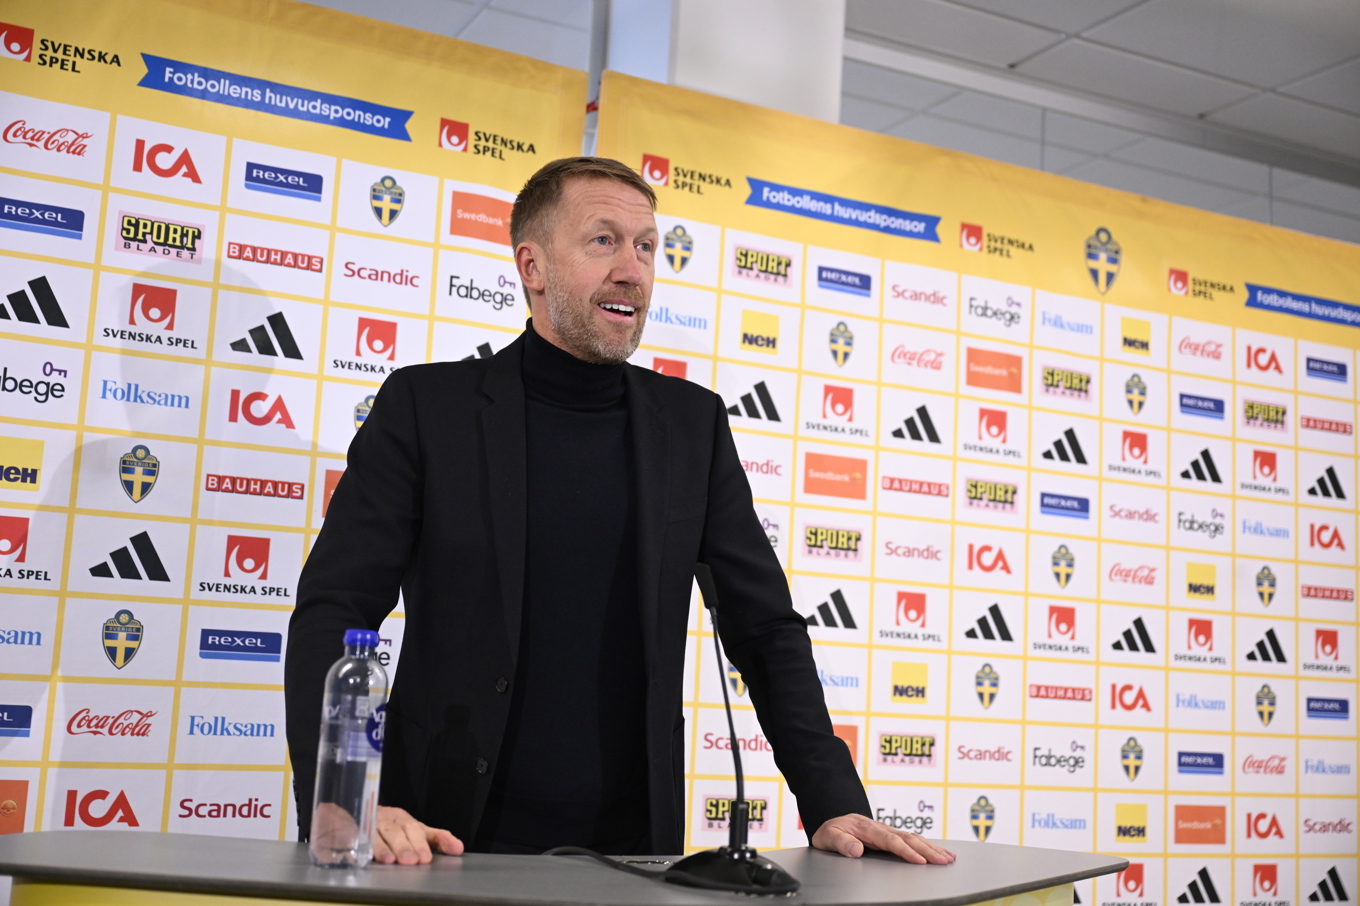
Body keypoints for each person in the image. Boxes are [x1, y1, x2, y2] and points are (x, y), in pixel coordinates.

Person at [285, 157, 956, 867]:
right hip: (441, 841)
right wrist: (344, 799)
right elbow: (335, 606)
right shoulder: (427, 409)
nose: (632, 269)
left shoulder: (692, 426)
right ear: (532, 267)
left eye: (645, 246)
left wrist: (832, 799)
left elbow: (765, 629)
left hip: (638, 855)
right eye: (603, 241)